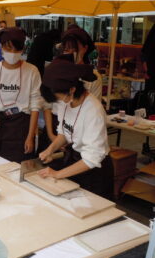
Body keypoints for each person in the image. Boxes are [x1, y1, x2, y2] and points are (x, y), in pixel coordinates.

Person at [38, 56, 113, 200]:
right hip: (75, 162)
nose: (58, 101)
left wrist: (57, 174)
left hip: (94, 172)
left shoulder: (93, 110)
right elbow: (64, 132)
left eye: (58, 97)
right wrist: (50, 150)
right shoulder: (65, 102)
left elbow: (92, 158)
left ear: (72, 89)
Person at [38, 27, 102, 153]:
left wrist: (72, 138)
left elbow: (92, 113)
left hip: (80, 132)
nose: (70, 53)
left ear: (85, 48)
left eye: (74, 48)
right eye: (66, 49)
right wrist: (52, 135)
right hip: (54, 125)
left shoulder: (93, 77)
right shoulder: (55, 69)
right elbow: (47, 105)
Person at [0, 27, 41, 163]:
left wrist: (30, 136)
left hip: (20, 126)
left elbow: (35, 106)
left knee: (17, 166)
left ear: (22, 49)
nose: (13, 53)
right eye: (8, 49)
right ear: (1, 47)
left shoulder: (32, 71)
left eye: (17, 49)